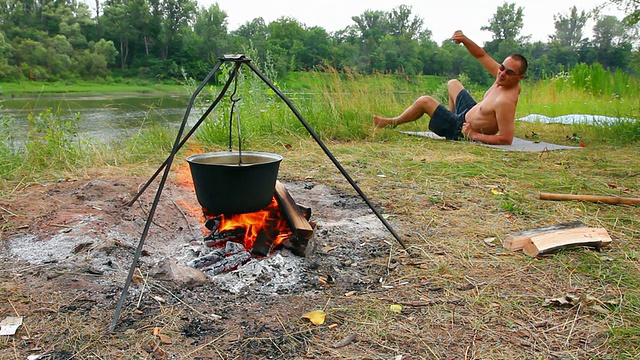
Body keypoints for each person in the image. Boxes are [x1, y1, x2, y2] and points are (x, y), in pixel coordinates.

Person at [373, 30, 528, 145]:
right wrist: (465, 40)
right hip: (466, 114)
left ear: (519, 78)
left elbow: (506, 139)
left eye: (509, 72)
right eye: (502, 68)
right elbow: (482, 56)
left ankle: (393, 122)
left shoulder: (506, 101)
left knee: (424, 101)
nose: (501, 73)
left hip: (460, 130)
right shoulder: (502, 77)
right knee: (453, 83)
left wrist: (473, 135)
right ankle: (450, 116)